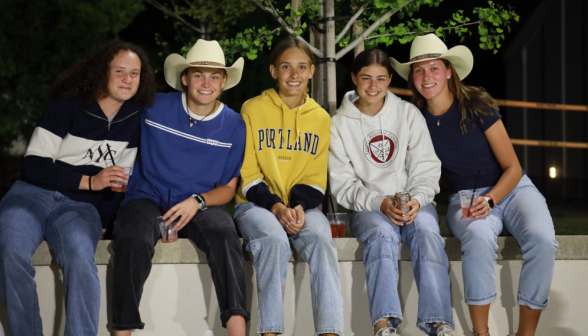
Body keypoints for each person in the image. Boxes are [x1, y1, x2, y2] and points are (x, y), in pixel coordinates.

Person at [392, 33, 558, 336]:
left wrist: (492, 200)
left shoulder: (476, 105)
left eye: (434, 68)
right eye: (419, 70)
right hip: (464, 198)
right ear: (412, 77)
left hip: (513, 189)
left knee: (543, 239)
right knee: (479, 237)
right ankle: (481, 333)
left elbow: (512, 167)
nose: (426, 76)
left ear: (449, 71)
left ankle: (526, 333)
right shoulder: (414, 120)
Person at [0, 40, 156, 336]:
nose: (127, 79)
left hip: (80, 207)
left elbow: (116, 184)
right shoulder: (67, 105)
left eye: (134, 73)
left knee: (82, 261)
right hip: (30, 195)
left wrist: (106, 221)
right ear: (101, 72)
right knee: (9, 252)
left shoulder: (136, 119)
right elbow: (34, 165)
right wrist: (88, 181)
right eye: (119, 71)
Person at [111, 39, 249, 336]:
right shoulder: (153, 107)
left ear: (224, 81)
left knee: (226, 234)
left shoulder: (234, 125)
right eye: (198, 74)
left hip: (199, 205)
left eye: (214, 76)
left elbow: (227, 188)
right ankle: (122, 332)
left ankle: (238, 330)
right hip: (147, 198)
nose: (206, 83)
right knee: (133, 237)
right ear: (185, 78)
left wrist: (197, 201)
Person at [329, 49, 455, 336]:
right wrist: (379, 202)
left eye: (381, 78)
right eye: (366, 78)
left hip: (413, 202)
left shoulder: (408, 114)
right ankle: (383, 325)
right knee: (382, 235)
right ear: (353, 79)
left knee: (426, 230)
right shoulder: (338, 125)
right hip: (368, 209)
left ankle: (439, 323)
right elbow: (342, 183)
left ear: (389, 80)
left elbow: (425, 166)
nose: (373, 86)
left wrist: (416, 199)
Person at [233, 37, 344, 336]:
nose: (294, 75)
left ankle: (330, 331)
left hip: (301, 208)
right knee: (274, 241)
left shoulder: (320, 118)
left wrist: (294, 207)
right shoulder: (252, 109)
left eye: (301, 67)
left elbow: (316, 176)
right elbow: (247, 171)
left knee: (322, 239)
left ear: (311, 72)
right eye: (286, 67)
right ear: (273, 71)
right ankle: (271, 332)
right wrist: (276, 206)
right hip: (254, 204)